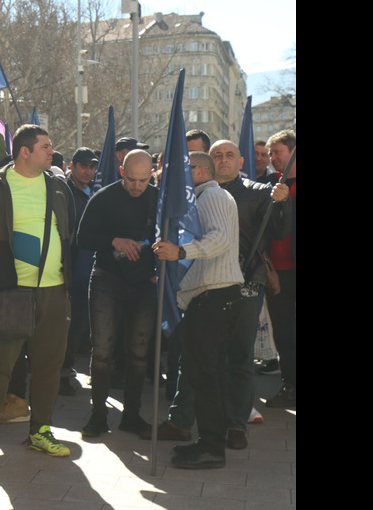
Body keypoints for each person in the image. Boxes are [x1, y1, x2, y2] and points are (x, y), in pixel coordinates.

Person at [0, 124, 75, 463]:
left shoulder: (57, 186)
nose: (51, 151)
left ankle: (40, 431)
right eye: (45, 146)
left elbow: (69, 235)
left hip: (54, 292)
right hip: (10, 292)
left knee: (48, 367)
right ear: (24, 151)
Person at [153, 152, 244, 469]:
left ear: (201, 171)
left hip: (214, 298)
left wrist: (180, 251)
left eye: (183, 170)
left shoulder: (213, 195)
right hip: (208, 298)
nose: (175, 176)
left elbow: (219, 239)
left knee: (206, 375)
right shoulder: (206, 197)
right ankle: (210, 442)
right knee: (208, 375)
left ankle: (211, 447)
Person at [77, 149, 158, 437]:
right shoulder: (104, 197)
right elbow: (82, 237)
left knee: (138, 353)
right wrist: (113, 241)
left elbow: (172, 236)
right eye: (131, 180)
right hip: (107, 279)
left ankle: (132, 416)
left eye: (143, 180)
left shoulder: (156, 197)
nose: (137, 186)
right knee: (101, 352)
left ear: (152, 174)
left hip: (144, 284)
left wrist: (158, 269)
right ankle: (98, 415)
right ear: (122, 172)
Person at [59, 148, 98, 396]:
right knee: (67, 327)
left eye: (92, 167)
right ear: (71, 166)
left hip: (87, 272)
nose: (88, 171)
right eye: (83, 166)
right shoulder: (64, 194)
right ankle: (61, 373)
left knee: (80, 324)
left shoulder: (92, 194)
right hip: (69, 271)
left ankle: (67, 367)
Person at [263, 130, 296, 408]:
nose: (273, 159)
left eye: (278, 152)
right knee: (284, 331)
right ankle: (290, 385)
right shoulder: (267, 185)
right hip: (276, 272)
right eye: (271, 153)